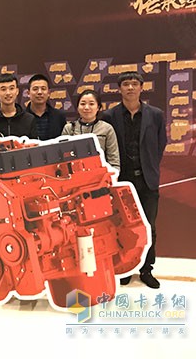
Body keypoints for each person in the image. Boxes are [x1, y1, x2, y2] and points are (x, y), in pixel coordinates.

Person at [102, 71, 166, 289]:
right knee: (121, 226)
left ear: (141, 87)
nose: (130, 88)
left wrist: (150, 166)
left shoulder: (155, 114)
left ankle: (146, 269)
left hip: (147, 179)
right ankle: (125, 268)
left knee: (149, 226)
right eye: (126, 84)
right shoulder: (109, 116)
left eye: (134, 84)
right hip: (122, 180)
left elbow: (160, 144)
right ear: (119, 89)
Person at [62, 89, 120, 170]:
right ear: (77, 107)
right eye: (82, 104)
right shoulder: (69, 128)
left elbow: (114, 161)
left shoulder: (107, 129)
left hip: (101, 173)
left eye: (91, 104)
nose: (86, 107)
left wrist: (113, 174)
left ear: (98, 107)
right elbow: (63, 159)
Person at [0, 73, 37, 138]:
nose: (8, 93)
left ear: (17, 91)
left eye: (11, 88)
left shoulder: (28, 119)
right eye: (3, 89)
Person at [25, 74, 66, 140]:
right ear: (28, 93)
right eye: (35, 89)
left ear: (49, 93)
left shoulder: (59, 116)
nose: (39, 92)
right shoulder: (22, 118)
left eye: (43, 89)